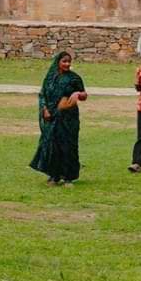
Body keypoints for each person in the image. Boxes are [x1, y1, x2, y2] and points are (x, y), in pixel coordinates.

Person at [30, 51, 87, 185]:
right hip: (52, 116)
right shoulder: (50, 78)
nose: (67, 64)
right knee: (51, 144)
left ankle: (68, 177)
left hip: (68, 118)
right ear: (58, 62)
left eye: (69, 62)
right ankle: (54, 175)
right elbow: (42, 94)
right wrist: (44, 109)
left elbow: (84, 94)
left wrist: (78, 94)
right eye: (64, 61)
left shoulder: (74, 78)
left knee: (68, 145)